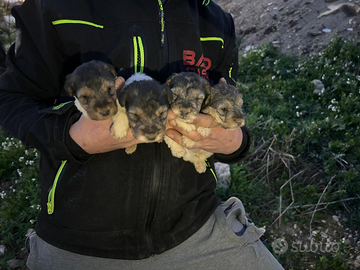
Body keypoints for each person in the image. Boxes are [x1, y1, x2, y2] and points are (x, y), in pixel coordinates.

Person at [0, 0, 284, 269]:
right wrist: (72, 137)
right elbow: (11, 97)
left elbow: (226, 105)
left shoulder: (217, 21)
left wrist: (235, 142)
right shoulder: (54, 6)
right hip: (78, 243)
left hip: (197, 229)